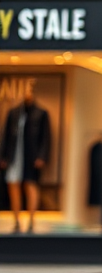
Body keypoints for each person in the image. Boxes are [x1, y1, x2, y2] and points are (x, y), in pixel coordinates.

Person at [1, 89, 52, 234]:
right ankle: (16, 219)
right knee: (13, 184)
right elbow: (5, 135)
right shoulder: (14, 113)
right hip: (14, 154)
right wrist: (3, 156)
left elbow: (45, 138)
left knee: (30, 184)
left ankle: (31, 219)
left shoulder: (41, 113)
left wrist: (42, 156)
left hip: (31, 156)